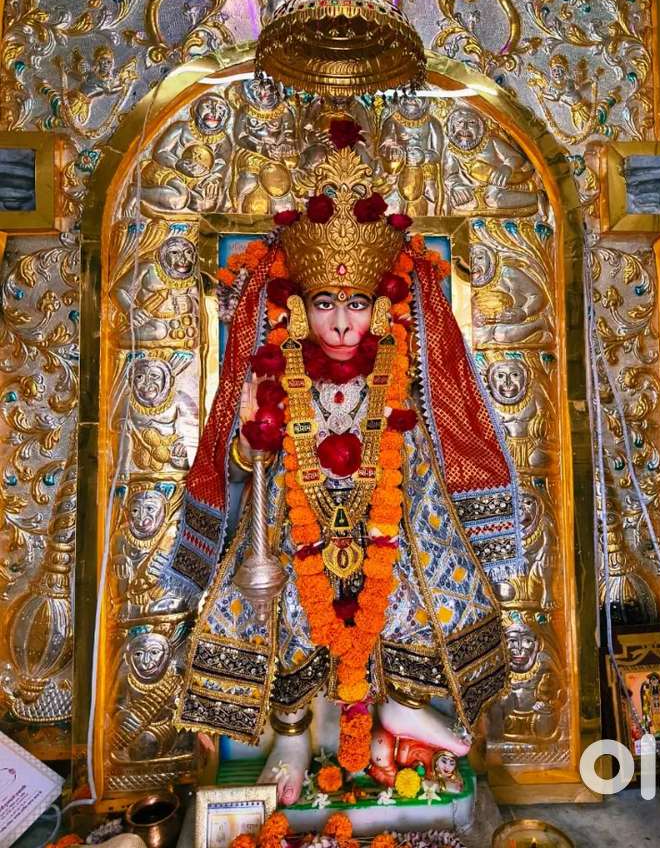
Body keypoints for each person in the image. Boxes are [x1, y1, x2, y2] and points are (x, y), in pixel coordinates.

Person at [161, 151, 521, 805]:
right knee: (287, 613)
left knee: (412, 592)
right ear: (301, 308)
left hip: (386, 523)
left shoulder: (399, 367)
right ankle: (291, 734)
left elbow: (429, 459)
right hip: (294, 526)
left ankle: (404, 704)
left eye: (355, 305)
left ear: (378, 309)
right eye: (325, 304)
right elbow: (240, 471)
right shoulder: (276, 369)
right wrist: (250, 440)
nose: (341, 323)